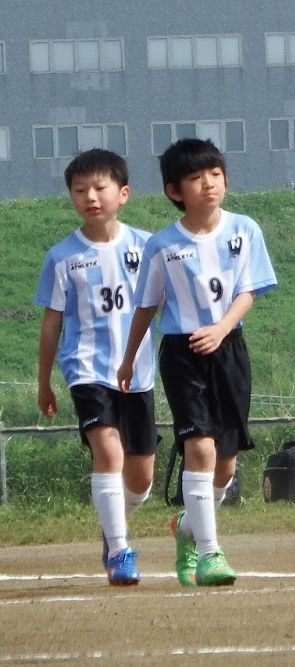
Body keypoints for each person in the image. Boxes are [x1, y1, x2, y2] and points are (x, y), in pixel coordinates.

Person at [117, 138, 278, 587]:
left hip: (230, 350)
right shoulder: (162, 245)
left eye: (215, 174)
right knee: (200, 447)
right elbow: (146, 306)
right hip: (182, 353)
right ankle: (210, 553)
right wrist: (129, 359)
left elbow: (248, 290)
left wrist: (222, 328)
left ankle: (186, 527)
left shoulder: (245, 229)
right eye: (195, 177)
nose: (209, 183)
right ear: (175, 191)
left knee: (226, 464)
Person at [35, 149, 155, 586]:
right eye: (79, 190)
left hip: (138, 372)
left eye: (100, 187)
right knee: (108, 452)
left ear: (123, 193)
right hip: (86, 369)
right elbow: (51, 324)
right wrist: (45, 382)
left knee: (141, 480)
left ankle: (113, 527)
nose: (90, 197)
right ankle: (120, 551)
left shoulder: (147, 247)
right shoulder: (62, 256)